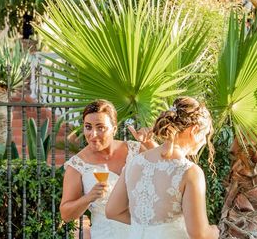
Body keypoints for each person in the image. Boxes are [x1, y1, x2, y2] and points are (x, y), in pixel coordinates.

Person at [106, 96, 220, 239]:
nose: (204, 141)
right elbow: (200, 235)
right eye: (205, 134)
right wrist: (216, 231)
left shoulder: (134, 163)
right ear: (194, 130)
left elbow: (112, 211)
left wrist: (147, 225)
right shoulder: (190, 172)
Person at [60, 99, 156, 238]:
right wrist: (89, 198)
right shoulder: (77, 165)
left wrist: (150, 143)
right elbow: (66, 214)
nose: (93, 134)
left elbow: (168, 172)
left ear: (114, 128)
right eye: (88, 127)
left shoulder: (135, 150)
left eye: (100, 127)